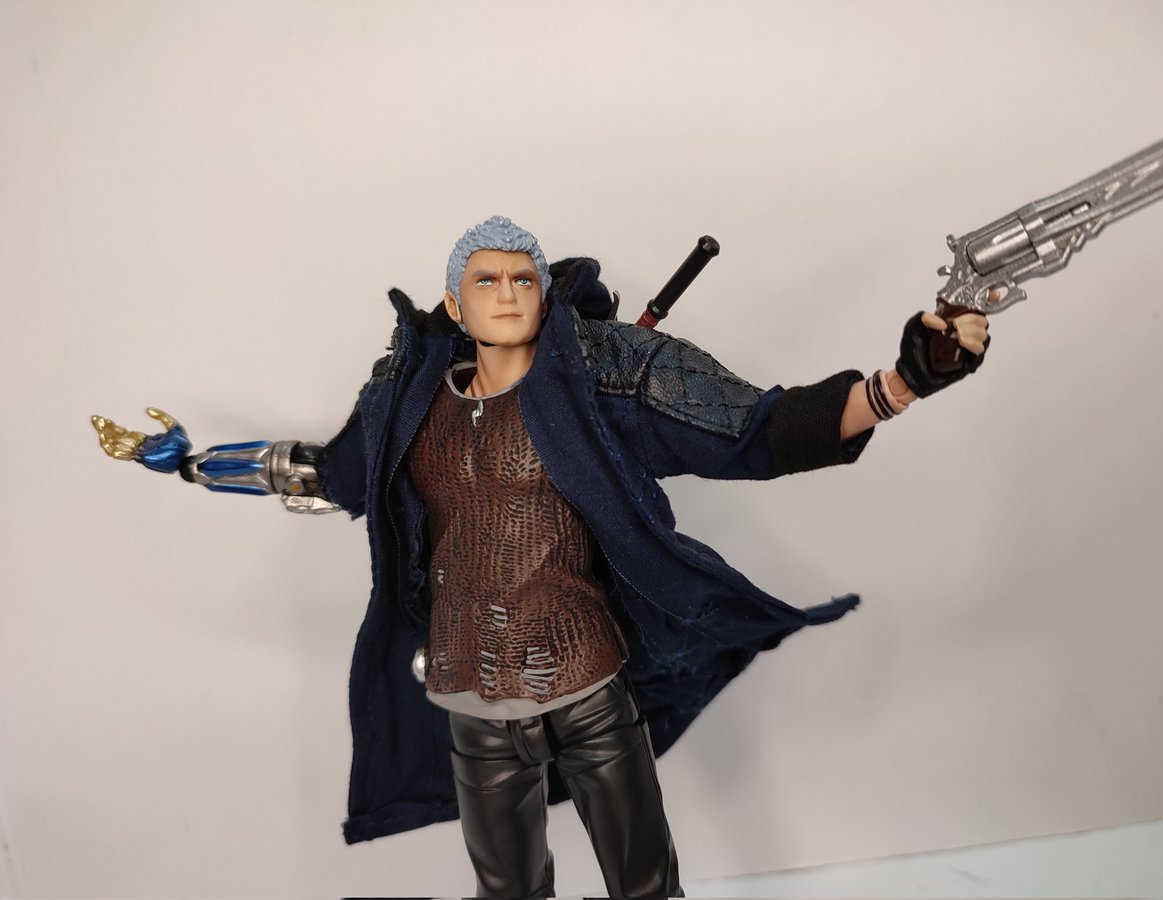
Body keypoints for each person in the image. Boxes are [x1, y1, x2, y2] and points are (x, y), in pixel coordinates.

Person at [92, 216, 989, 897]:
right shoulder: (407, 408)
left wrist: (901, 383)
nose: (509, 292)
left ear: (546, 294)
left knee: (645, 885)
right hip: (472, 700)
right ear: (456, 305)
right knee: (508, 891)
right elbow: (329, 475)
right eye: (486, 279)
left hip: (589, 687)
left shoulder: (605, 383)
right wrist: (196, 466)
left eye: (524, 277)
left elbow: (757, 432)